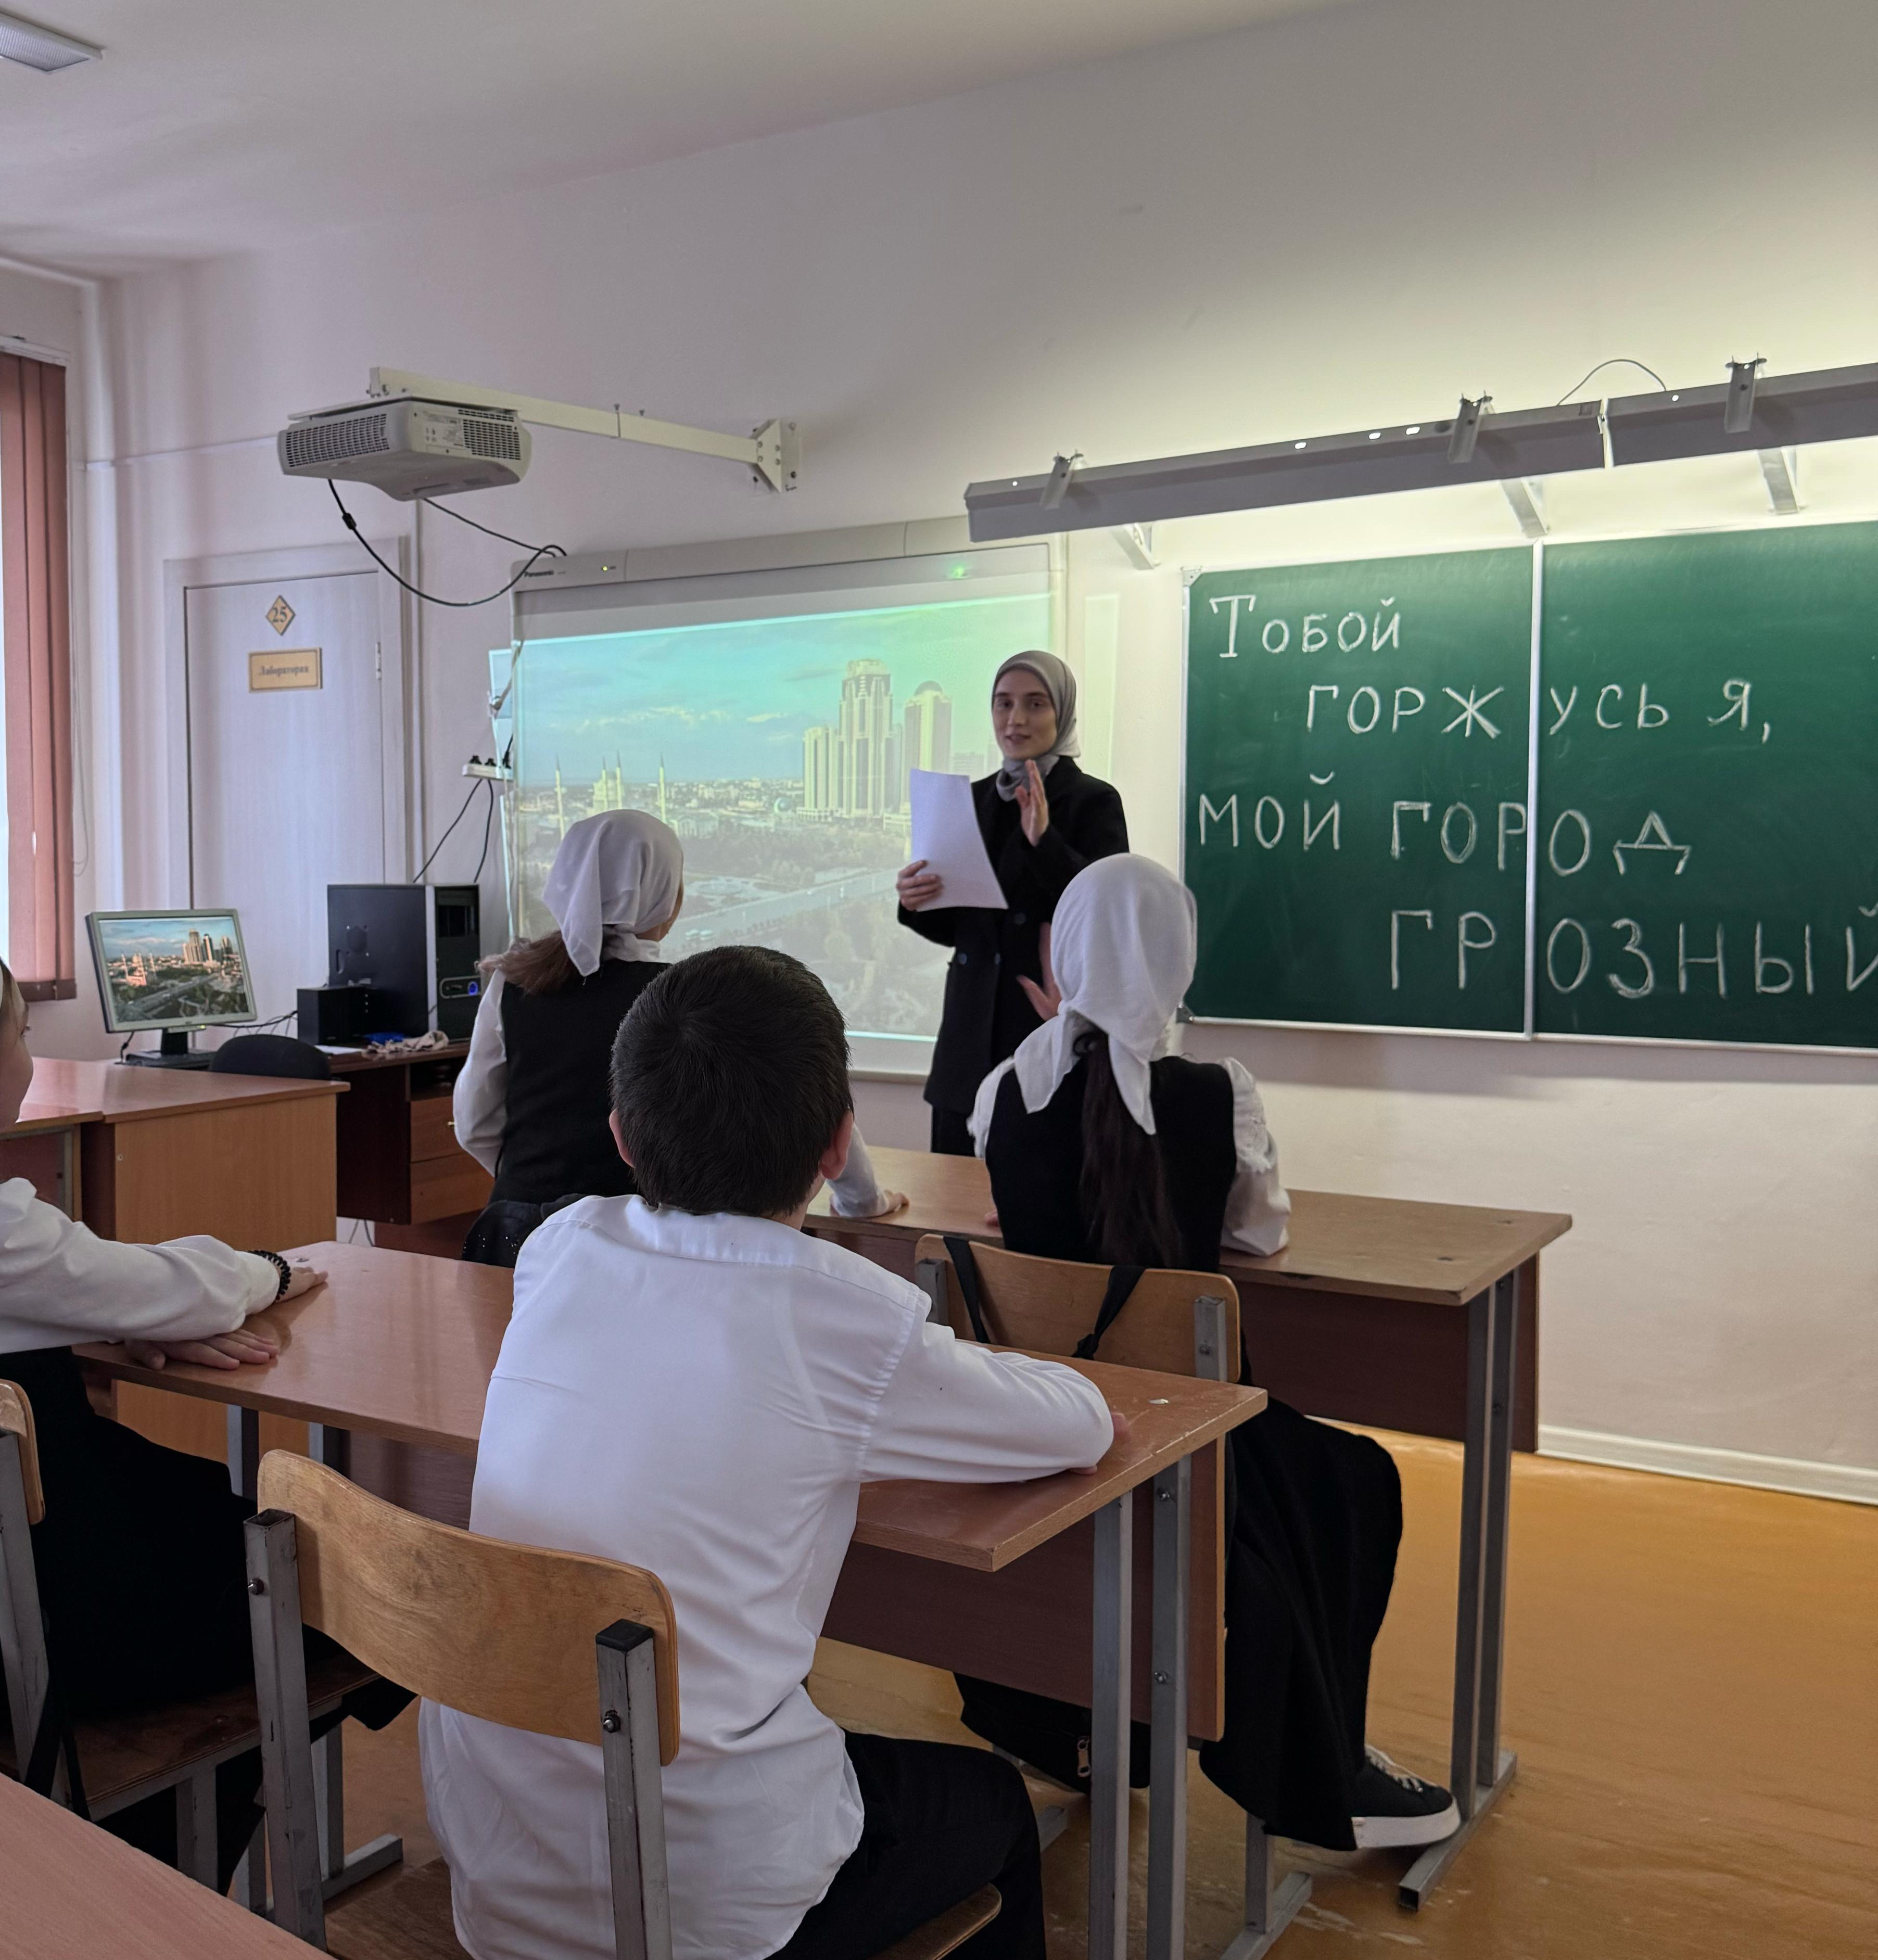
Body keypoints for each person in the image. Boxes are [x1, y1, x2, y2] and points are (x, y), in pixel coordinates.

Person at [422, 945, 1127, 1960]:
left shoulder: (559, 1245)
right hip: (705, 1896)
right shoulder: (847, 1318)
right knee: (992, 1805)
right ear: (839, 1143)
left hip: (500, 1868)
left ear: (621, 1135)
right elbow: (1079, 1425)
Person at [963, 856, 1460, 1853]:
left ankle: (1073, 1731)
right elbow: (1259, 1234)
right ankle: (1326, 1766)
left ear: (1065, 953)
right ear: (1175, 957)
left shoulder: (1003, 1090)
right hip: (1185, 1443)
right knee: (1355, 1478)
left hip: (1041, 1432)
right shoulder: (1215, 1092)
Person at [0, 959, 337, 1884]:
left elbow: (77, 1287)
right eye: (24, 1034)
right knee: (321, 1586)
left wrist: (101, 1318)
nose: (30, 1057)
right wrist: (268, 1272)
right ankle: (168, 1884)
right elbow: (178, 1282)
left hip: (28, 1602)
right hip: (66, 1620)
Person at [456, 808, 904, 1261]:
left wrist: (534, 1180)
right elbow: (815, 1108)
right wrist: (864, 1201)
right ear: (666, 898)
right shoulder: (686, 995)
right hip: (643, 1252)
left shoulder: (513, 983)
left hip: (517, 1241)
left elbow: (474, 1126)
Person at [896, 651, 1128, 1157]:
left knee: (1033, 1192)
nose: (1015, 719)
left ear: (1062, 712)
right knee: (950, 1193)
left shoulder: (1093, 802)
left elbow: (1103, 914)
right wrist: (916, 901)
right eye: (1003, 704)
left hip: (1045, 1034)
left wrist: (1043, 840)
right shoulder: (973, 799)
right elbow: (963, 929)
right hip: (966, 1044)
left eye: (1035, 704)